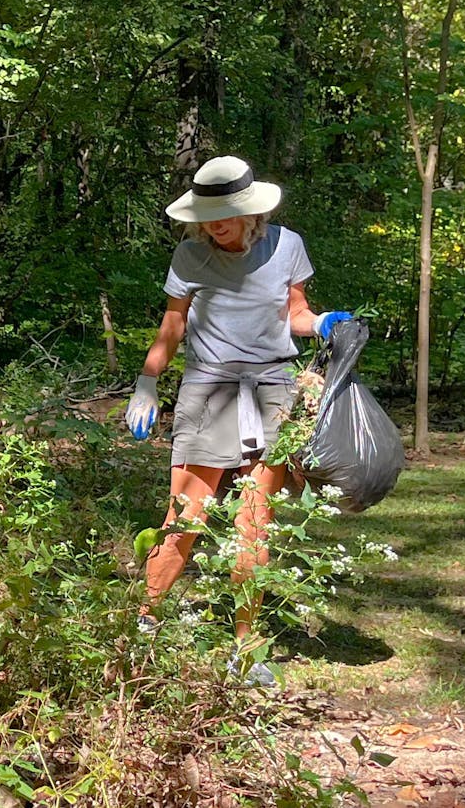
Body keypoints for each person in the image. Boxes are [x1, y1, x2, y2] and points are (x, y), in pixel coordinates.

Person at [125, 155, 351, 684]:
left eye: (226, 212)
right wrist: (148, 381)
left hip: (272, 388)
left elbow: (293, 314)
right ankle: (142, 622)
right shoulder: (189, 255)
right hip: (208, 389)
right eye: (208, 214)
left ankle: (247, 652)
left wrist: (321, 323)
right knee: (186, 515)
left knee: (255, 523)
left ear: (250, 211)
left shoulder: (287, 246)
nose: (216, 223)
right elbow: (173, 323)